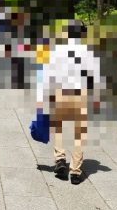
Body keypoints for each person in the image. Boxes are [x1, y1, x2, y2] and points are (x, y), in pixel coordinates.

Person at [35, 21, 103, 185]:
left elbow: (46, 75)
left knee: (57, 128)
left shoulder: (56, 51)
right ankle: (75, 171)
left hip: (59, 92)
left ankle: (60, 159)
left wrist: (41, 98)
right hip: (80, 94)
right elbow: (95, 77)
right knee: (79, 134)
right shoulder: (89, 52)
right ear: (82, 34)